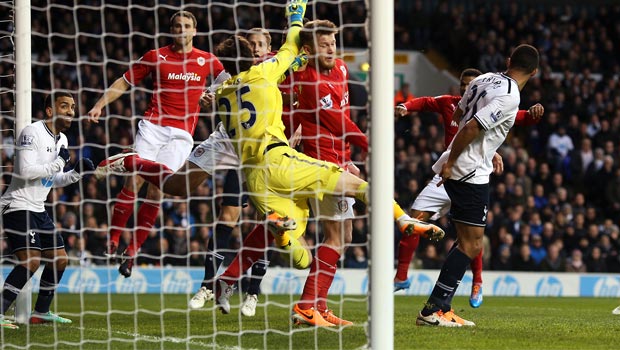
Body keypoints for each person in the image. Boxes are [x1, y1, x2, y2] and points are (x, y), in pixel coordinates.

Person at [95, 0, 444, 326]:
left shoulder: (223, 90)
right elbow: (292, 46)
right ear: (254, 56)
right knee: (352, 203)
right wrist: (296, 13)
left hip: (249, 165)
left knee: (183, 190)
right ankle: (400, 221)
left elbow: (238, 79)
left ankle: (137, 166)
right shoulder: (265, 73)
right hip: (277, 156)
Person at [87, 10, 224, 278]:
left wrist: (213, 95)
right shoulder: (156, 56)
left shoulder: (207, 60)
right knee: (134, 181)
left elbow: (229, 83)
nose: (181, 29)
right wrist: (99, 105)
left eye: (186, 26)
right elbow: (124, 82)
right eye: (177, 26)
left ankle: (132, 253)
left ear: (194, 31)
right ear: (171, 30)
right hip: (152, 126)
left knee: (158, 189)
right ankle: (113, 240)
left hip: (182, 134)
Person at [394, 69, 545, 308]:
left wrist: (533, 114)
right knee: (416, 221)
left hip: (466, 173)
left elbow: (517, 117)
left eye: (469, 84)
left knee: (471, 238)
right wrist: (407, 106)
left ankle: (476, 282)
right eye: (463, 85)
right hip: (447, 173)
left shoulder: (490, 105)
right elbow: (426, 102)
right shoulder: (451, 104)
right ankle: (402, 277)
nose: (466, 89)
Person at [189, 27, 274, 316]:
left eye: (260, 44)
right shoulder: (229, 75)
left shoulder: (275, 71)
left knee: (268, 221)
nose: (256, 49)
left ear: (268, 47)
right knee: (228, 218)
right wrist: (205, 99)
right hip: (235, 150)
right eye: (251, 45)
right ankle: (208, 285)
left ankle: (252, 293)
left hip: (266, 153)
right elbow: (210, 95)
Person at [0, 92, 94, 329]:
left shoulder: (62, 140)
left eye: (73, 106)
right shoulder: (32, 132)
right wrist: (60, 163)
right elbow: (25, 171)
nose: (71, 111)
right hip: (18, 205)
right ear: (50, 111)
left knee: (60, 260)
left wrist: (74, 174)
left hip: (38, 209)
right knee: (31, 261)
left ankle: (41, 312)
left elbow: (51, 179)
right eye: (65, 106)